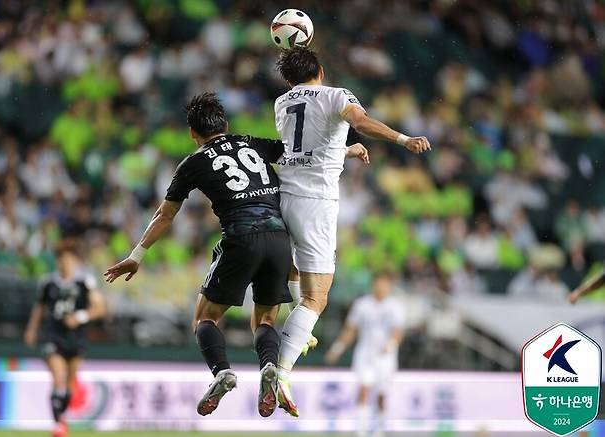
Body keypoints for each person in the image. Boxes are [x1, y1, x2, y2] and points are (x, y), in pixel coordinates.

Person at [104, 92, 371, 417]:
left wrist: (137, 255)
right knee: (265, 319)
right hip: (278, 237)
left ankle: (222, 372)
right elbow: (302, 158)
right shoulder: (251, 142)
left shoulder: (193, 163)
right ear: (226, 125)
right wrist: (346, 150)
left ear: (193, 133)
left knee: (205, 317)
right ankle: (269, 367)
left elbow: (165, 214)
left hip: (241, 237)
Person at [272, 47, 430, 416]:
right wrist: (403, 140)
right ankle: (280, 371)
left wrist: (345, 150)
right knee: (317, 298)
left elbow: (303, 150)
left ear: (288, 80)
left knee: (295, 275)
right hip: (316, 205)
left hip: (284, 198)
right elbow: (360, 121)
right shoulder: (336, 95)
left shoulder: (281, 103)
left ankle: (297, 331)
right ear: (321, 71)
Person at [23, 239, 106, 437]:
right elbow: (39, 308)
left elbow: (100, 308)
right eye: (61, 259)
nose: (65, 263)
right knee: (58, 378)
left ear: (75, 261)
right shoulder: (48, 282)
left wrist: (80, 316)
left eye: (68, 259)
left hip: (75, 338)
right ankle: (58, 424)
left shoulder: (84, 281)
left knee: (69, 384)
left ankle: (61, 419)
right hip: (54, 335)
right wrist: (32, 329)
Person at [325, 271, 405, 437]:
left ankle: (379, 430)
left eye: (384, 284)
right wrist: (337, 349)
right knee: (363, 389)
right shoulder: (362, 304)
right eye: (378, 283)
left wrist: (391, 344)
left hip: (385, 357)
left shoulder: (395, 306)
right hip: (365, 354)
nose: (380, 287)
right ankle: (361, 430)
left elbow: (398, 331)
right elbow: (351, 329)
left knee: (382, 394)